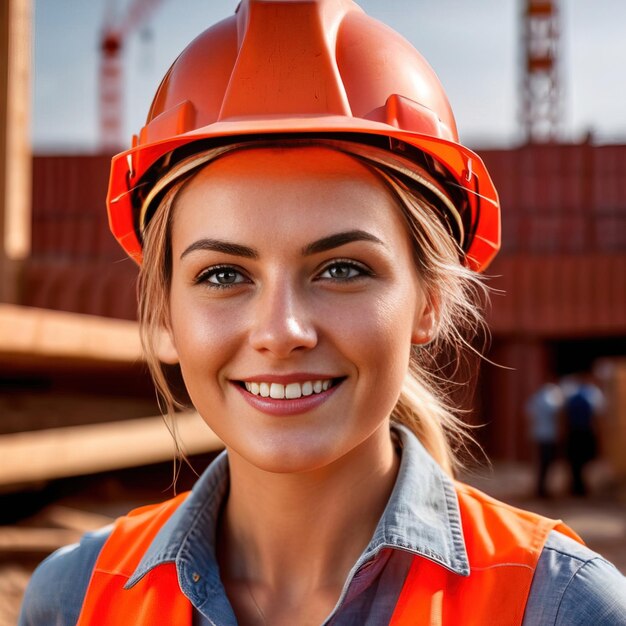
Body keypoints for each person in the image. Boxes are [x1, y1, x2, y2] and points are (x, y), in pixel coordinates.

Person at [19, 1, 626, 624]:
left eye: (342, 269)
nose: (281, 331)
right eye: (223, 275)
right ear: (165, 316)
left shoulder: (562, 606)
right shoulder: (73, 600)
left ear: (430, 299)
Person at [525, 382, 564, 498]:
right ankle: (542, 489)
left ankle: (540, 488)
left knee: (541, 463)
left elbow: (528, 415)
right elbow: (558, 417)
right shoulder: (554, 400)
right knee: (547, 463)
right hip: (550, 436)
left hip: (538, 434)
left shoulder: (537, 398)